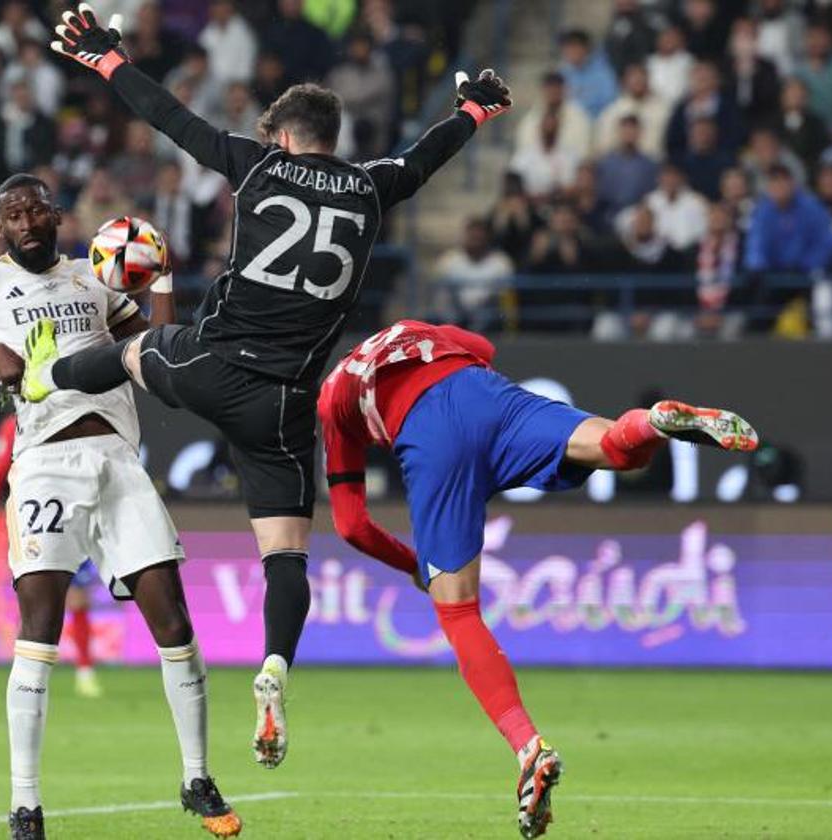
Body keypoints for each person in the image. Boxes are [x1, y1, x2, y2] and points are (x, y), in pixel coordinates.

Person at [25, 2, 511, 771]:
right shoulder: (373, 186)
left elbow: (172, 120)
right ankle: (275, 667)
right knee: (286, 557)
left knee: (129, 354)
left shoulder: (257, 165)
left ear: (283, 136)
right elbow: (427, 154)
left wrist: (107, 60)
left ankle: (35, 375)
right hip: (285, 405)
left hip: (211, 363)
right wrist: (477, 110)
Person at [317, 319, 758, 839]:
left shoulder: (331, 401)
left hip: (431, 435)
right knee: (615, 447)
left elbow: (351, 526)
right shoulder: (413, 328)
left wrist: (413, 565)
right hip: (487, 396)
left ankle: (529, 748)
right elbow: (483, 348)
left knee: (458, 612)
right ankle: (655, 424)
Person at [0, 173, 242, 840]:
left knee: (173, 620)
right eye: (12, 213)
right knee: (41, 622)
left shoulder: (95, 277)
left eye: (35, 208)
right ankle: (26, 805)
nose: (26, 220)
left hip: (118, 463)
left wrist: (162, 284)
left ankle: (197, 777)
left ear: (56, 215)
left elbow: (158, 354)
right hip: (43, 467)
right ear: (0, 227)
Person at [0, 411, 103, 698]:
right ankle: (28, 672)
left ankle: (85, 671)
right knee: (34, 595)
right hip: (32, 516)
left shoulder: (70, 414)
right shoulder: (13, 424)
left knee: (78, 598)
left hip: (71, 511)